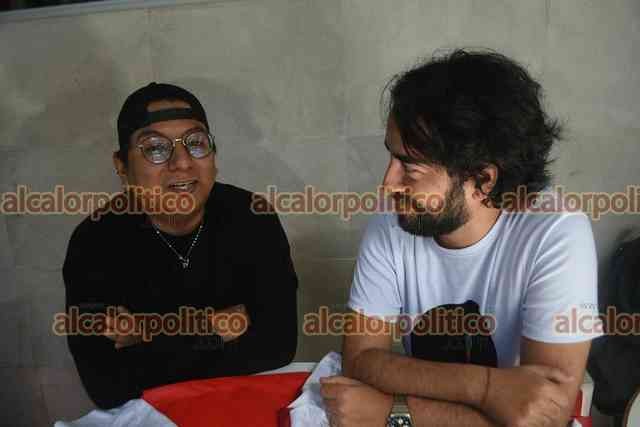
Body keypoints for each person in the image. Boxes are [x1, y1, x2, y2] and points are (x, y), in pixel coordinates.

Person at [320, 50, 600, 427]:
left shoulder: (556, 231)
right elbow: (360, 360)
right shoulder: (393, 221)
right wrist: (487, 389)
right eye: (391, 158)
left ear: (483, 180)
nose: (388, 185)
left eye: (410, 168)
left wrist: (392, 412)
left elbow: (547, 414)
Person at [62, 82, 298, 409]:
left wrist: (148, 334)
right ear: (122, 166)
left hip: (241, 404)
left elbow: (278, 346)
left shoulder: (252, 217)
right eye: (155, 148)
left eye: (196, 143)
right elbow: (107, 385)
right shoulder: (93, 243)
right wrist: (214, 328)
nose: (182, 162)